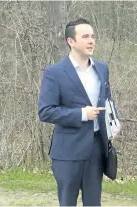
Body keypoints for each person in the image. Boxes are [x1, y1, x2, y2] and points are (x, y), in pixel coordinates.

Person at [38, 18, 115, 206]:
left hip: (96, 148)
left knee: (93, 203)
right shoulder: (54, 72)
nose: (91, 41)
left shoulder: (102, 69)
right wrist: (81, 114)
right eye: (85, 36)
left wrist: (113, 121)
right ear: (70, 41)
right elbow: (46, 111)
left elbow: (107, 101)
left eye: (93, 36)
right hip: (67, 151)